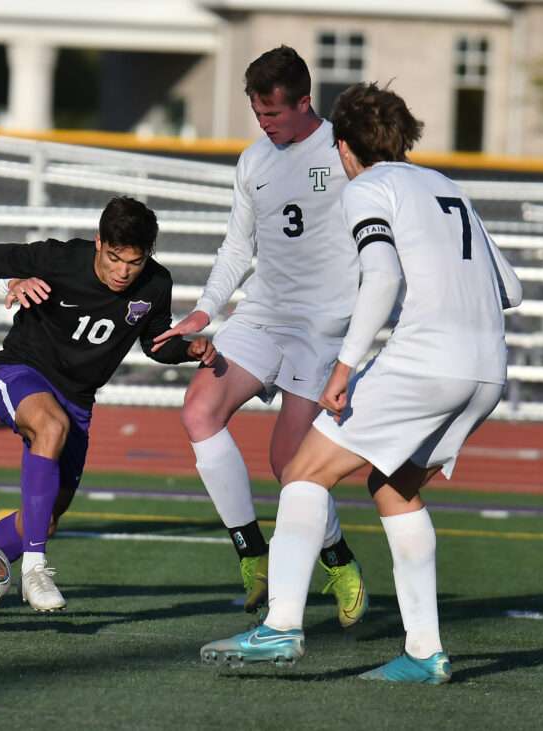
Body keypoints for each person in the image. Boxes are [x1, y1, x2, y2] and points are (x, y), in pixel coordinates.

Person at [199, 82, 522, 683]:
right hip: (487, 371)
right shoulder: (448, 188)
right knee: (393, 487)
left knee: (302, 472)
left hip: (426, 363)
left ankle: (281, 626)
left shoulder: (368, 186)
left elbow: (380, 276)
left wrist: (344, 367)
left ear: (343, 146)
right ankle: (425, 652)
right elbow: (513, 290)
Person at [0, 196, 217, 623]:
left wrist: (189, 348)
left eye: (133, 263)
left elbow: (156, 342)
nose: (122, 272)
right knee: (50, 426)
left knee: (44, 519)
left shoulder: (156, 283)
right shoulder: (59, 258)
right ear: (99, 242)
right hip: (20, 373)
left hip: (78, 402)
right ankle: (35, 570)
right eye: (114, 258)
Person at [153, 46, 366, 626]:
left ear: (305, 102)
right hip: (263, 313)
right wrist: (203, 311)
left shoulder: (346, 150)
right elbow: (237, 248)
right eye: (257, 113)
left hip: (322, 328)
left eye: (273, 113)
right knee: (198, 412)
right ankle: (253, 555)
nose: (264, 124)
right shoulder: (252, 162)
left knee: (288, 463)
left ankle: (339, 558)